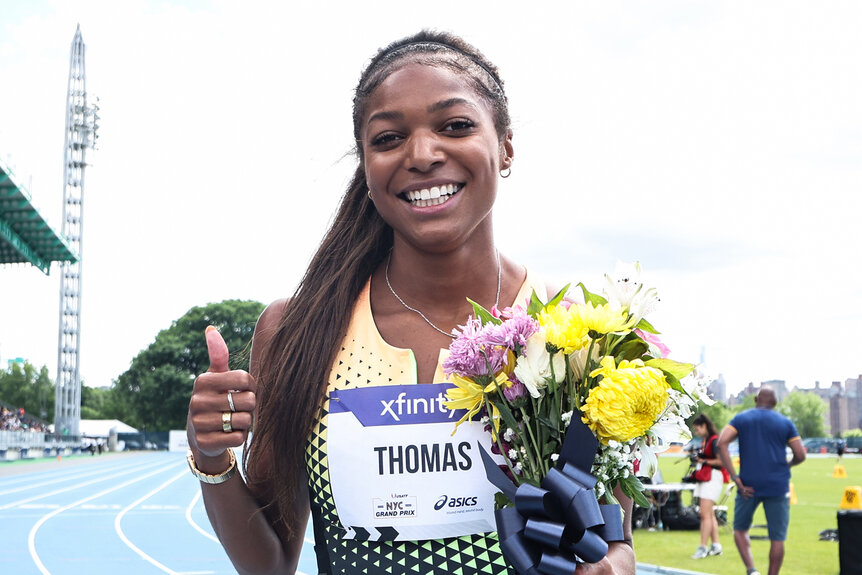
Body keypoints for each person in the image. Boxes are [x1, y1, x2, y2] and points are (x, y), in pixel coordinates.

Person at [185, 30, 635, 575]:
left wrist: (614, 565)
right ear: (367, 164)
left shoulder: (581, 337)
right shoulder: (298, 332)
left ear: (506, 146)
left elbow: (613, 540)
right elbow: (270, 564)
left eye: (456, 126)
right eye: (389, 138)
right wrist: (213, 460)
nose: (422, 154)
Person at [717, 387, 806, 575]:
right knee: (777, 538)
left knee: (740, 530)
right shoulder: (785, 422)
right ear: (775, 403)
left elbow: (721, 443)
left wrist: (735, 478)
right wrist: (788, 465)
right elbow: (800, 454)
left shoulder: (741, 419)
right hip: (778, 486)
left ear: (756, 399)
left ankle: (752, 570)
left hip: (747, 486)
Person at [689, 413, 728, 559]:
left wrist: (703, 461)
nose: (697, 433)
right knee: (710, 514)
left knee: (704, 515)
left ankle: (703, 547)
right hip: (709, 479)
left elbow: (721, 462)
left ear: (704, 426)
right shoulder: (708, 440)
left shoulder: (714, 440)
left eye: (698, 430)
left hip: (713, 478)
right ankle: (716, 545)